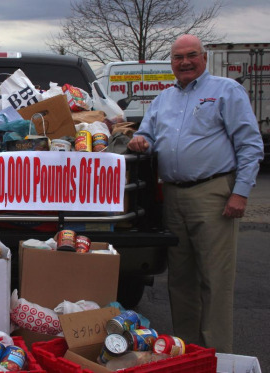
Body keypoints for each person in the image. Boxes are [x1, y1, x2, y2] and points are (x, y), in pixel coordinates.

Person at [128, 34, 264, 352]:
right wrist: (139, 140)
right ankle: (187, 351)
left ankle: (216, 354)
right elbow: (146, 132)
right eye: (178, 57)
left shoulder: (226, 91)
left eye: (191, 55)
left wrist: (240, 193)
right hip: (174, 197)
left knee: (215, 281)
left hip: (213, 194)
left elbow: (250, 143)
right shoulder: (163, 99)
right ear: (171, 63)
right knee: (180, 281)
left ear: (203, 57)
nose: (185, 62)